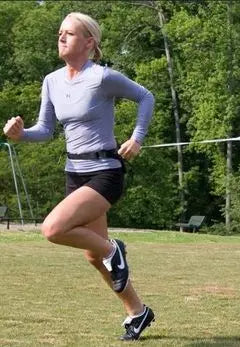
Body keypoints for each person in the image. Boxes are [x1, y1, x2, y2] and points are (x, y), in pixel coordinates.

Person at [2, 12, 155, 341]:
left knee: (53, 229)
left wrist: (137, 138)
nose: (61, 37)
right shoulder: (51, 81)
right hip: (75, 172)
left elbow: (146, 96)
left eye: (69, 33)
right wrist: (20, 134)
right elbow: (44, 131)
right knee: (92, 255)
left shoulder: (102, 77)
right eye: (60, 33)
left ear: (89, 43)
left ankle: (115, 250)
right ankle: (138, 312)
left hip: (105, 171)